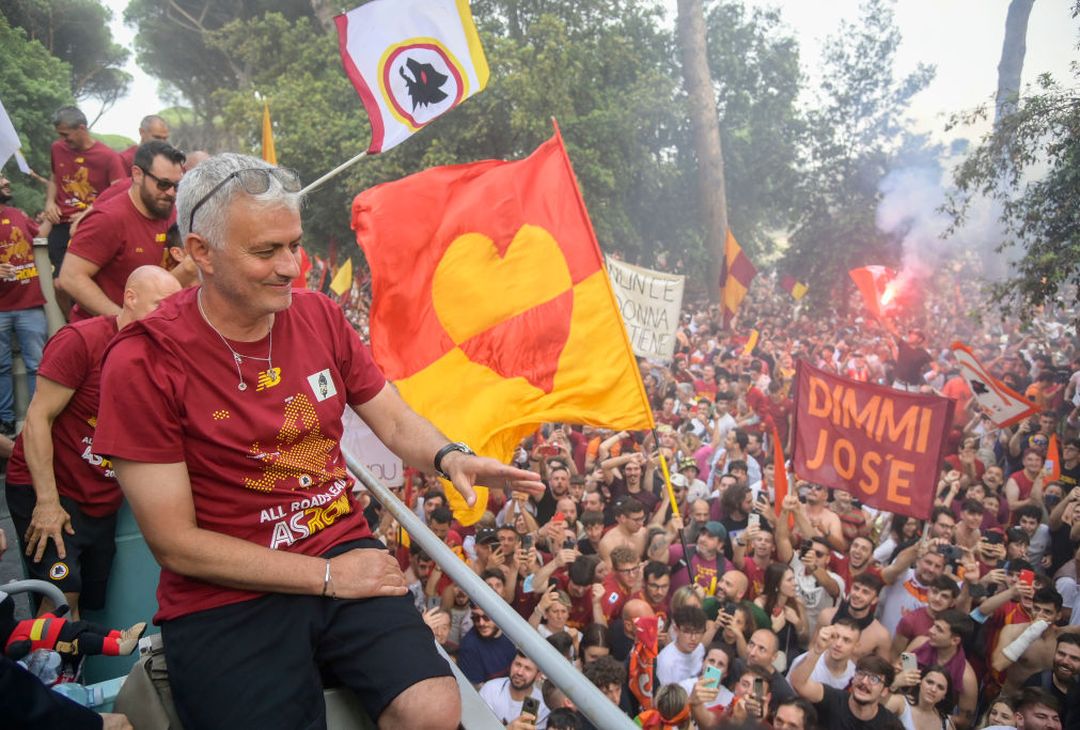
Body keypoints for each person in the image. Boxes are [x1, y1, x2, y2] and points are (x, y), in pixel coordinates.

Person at [92, 153, 543, 729]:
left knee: (432, 709)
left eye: (293, 245)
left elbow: (393, 418)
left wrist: (448, 455)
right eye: (266, 251)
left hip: (339, 544)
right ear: (201, 252)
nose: (290, 267)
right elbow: (177, 544)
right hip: (226, 588)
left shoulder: (320, 316)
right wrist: (329, 581)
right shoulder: (143, 361)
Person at [4, 266, 181, 619]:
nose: (169, 316)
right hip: (52, 488)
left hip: (102, 496)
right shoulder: (82, 340)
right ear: (130, 298)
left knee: (89, 603)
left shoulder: (164, 355)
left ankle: (73, 672)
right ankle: (51, 675)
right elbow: (39, 418)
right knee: (60, 596)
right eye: (160, 305)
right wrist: (48, 503)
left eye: (175, 308)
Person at [59, 141, 185, 321]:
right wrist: (123, 320)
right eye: (163, 184)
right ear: (137, 174)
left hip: (153, 329)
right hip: (108, 336)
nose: (172, 193)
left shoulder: (172, 211)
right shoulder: (109, 218)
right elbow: (71, 277)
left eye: (177, 186)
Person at [44, 106, 125, 278]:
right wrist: (50, 202)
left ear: (81, 128)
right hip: (61, 224)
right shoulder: (57, 148)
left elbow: (118, 192)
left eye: (66, 134)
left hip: (91, 226)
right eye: (60, 134)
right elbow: (54, 178)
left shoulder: (108, 156)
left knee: (84, 279)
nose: (63, 139)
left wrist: (87, 213)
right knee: (60, 282)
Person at [0, 173, 48, 437]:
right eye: (1, 179)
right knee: (1, 367)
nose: (6, 182)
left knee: (38, 365)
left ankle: (35, 418)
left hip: (30, 305)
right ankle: (5, 421)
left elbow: (41, 236)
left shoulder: (18, 214)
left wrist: (54, 217)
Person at [790, 639, 904, 729]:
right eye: (861, 674)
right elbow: (799, 684)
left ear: (884, 691)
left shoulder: (890, 724)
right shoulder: (832, 699)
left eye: (873, 679)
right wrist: (816, 651)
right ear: (853, 678)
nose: (864, 681)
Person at [477, 650, 550, 727]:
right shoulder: (491, 689)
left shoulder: (543, 706)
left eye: (527, 669)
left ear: (538, 676)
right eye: (517, 664)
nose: (519, 672)